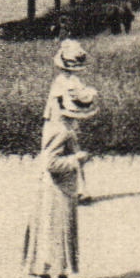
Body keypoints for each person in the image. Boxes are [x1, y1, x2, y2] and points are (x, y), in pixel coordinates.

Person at [22, 85, 97, 278]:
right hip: (58, 188)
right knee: (61, 229)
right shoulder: (62, 131)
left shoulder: (58, 126)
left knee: (49, 229)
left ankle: (45, 271)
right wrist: (77, 159)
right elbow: (51, 163)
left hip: (53, 187)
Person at [45, 40, 92, 200]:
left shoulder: (66, 81)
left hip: (62, 121)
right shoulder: (67, 81)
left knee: (67, 152)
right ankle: (79, 189)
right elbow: (66, 104)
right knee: (69, 150)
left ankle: (80, 189)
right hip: (63, 121)